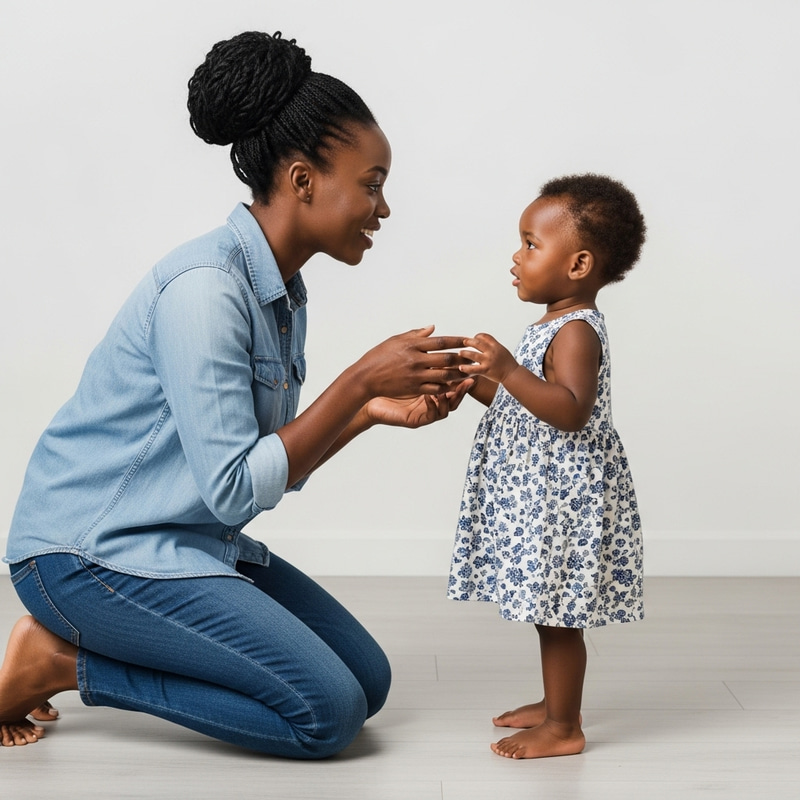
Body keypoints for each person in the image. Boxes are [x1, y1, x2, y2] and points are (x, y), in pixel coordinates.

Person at [0, 30, 472, 755]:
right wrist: (356, 383)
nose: (383, 208)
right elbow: (232, 488)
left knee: (366, 679)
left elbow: (261, 467)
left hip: (183, 541)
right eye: (372, 183)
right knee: (328, 714)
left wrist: (368, 413)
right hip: (84, 556)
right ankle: (59, 660)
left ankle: (76, 651)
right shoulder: (207, 291)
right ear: (303, 179)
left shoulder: (281, 292)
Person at [448, 173, 646, 759]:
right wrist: (477, 384)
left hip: (565, 499)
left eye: (531, 243)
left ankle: (564, 726)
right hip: (545, 493)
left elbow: (570, 412)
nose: (517, 254)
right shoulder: (553, 323)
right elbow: (529, 406)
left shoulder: (578, 330)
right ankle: (557, 703)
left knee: (559, 616)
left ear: (579, 264)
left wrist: (507, 371)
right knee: (547, 607)